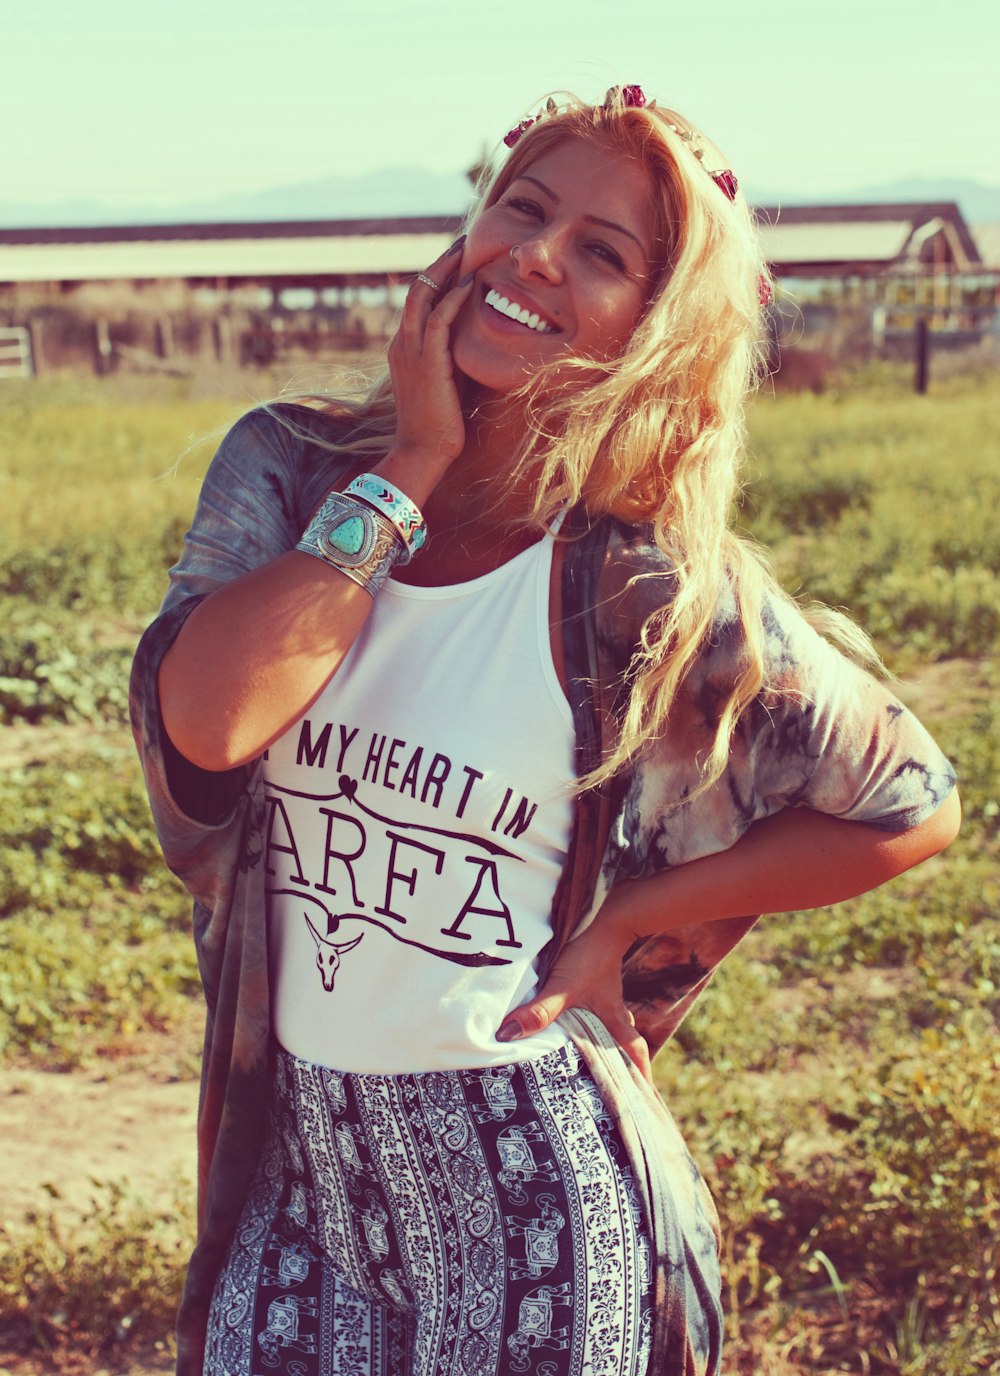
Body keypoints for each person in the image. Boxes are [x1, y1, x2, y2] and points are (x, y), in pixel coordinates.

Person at [131, 86, 960, 1376]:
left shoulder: (648, 584)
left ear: (652, 325)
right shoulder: (294, 468)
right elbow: (211, 719)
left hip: (535, 1179)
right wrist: (409, 464)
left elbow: (911, 802)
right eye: (522, 208)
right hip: (300, 1181)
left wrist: (634, 922)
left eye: (603, 252)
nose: (536, 255)